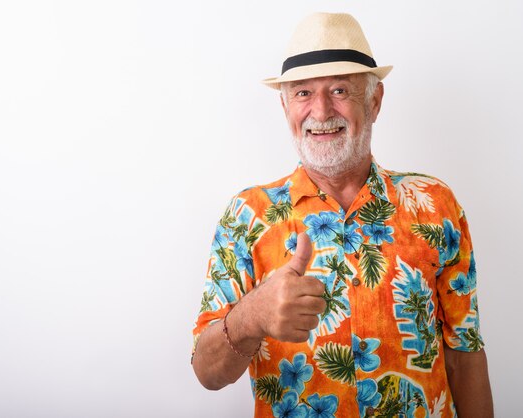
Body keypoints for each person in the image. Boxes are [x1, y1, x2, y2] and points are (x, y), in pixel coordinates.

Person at [191, 12, 493, 418]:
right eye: (302, 93)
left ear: (374, 100)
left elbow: (465, 353)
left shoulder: (436, 205)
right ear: (284, 106)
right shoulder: (246, 216)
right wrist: (251, 317)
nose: (320, 111)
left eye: (338, 90)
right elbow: (206, 373)